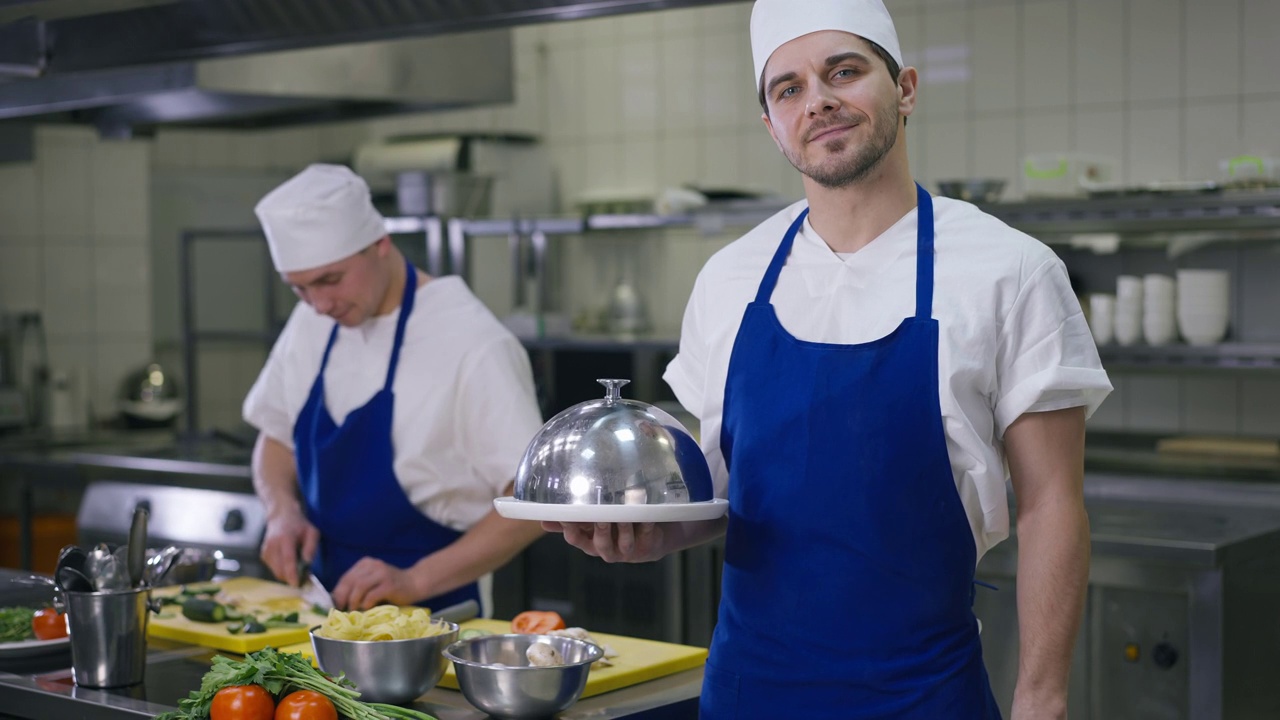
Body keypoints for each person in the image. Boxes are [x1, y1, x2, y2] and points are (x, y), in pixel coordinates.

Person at [543, 1, 1111, 717]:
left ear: (904, 88)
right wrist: (653, 534)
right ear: (772, 123)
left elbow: (1053, 504)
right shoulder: (731, 278)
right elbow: (732, 494)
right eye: (790, 88)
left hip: (922, 694)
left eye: (844, 71)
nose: (819, 101)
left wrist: (1042, 699)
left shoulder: (1012, 271)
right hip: (749, 692)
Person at [243, 163, 544, 613]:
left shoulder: (471, 342)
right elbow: (276, 438)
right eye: (300, 289)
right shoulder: (312, 323)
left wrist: (415, 579)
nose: (319, 305)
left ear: (380, 243)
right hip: (322, 608)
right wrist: (280, 510)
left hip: (434, 617)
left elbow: (533, 502)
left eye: (330, 279)